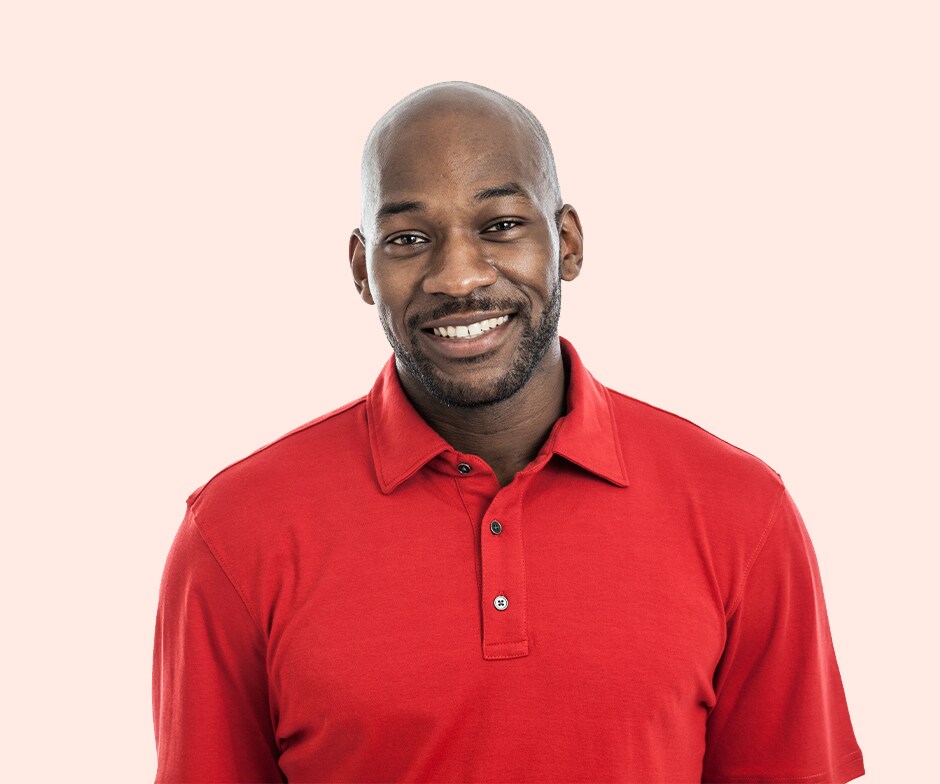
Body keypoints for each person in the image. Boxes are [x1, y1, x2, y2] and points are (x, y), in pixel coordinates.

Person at [152, 82, 864, 783]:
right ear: (361, 271)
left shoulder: (740, 510)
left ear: (569, 243)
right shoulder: (236, 533)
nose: (458, 277)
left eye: (499, 226)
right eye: (408, 238)